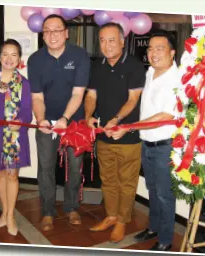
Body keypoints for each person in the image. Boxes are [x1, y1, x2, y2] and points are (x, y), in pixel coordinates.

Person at [27, 14, 90, 231]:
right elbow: (37, 97)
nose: (52, 34)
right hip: (47, 121)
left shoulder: (80, 56)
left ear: (66, 33)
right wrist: (41, 119)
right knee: (45, 167)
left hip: (74, 122)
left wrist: (64, 119)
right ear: (43, 34)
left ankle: (72, 207)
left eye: (57, 29)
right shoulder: (35, 60)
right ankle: (47, 211)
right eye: (47, 30)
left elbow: (78, 94)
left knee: (74, 167)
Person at [85, 22, 145, 243]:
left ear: (122, 41)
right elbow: (91, 96)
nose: (107, 45)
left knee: (126, 182)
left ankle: (122, 220)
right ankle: (111, 216)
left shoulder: (135, 66)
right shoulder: (97, 66)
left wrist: (116, 120)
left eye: (112, 40)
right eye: (102, 40)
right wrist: (87, 116)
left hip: (127, 136)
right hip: (103, 136)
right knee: (108, 180)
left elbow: (133, 99)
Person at [0, 39, 33, 236]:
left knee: (12, 175)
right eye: (5, 54)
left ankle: (9, 215)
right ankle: (5, 211)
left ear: (19, 59)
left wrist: (19, 121)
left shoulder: (23, 83)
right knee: (0, 174)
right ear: (0, 57)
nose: (9, 59)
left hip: (14, 136)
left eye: (14, 55)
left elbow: (28, 112)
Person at [132, 31, 179, 251]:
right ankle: (154, 227)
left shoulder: (178, 80)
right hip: (147, 144)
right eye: (150, 48)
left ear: (172, 52)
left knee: (164, 194)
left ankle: (166, 240)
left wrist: (130, 127)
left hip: (165, 146)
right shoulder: (151, 71)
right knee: (152, 189)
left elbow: (165, 116)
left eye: (159, 48)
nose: (153, 53)